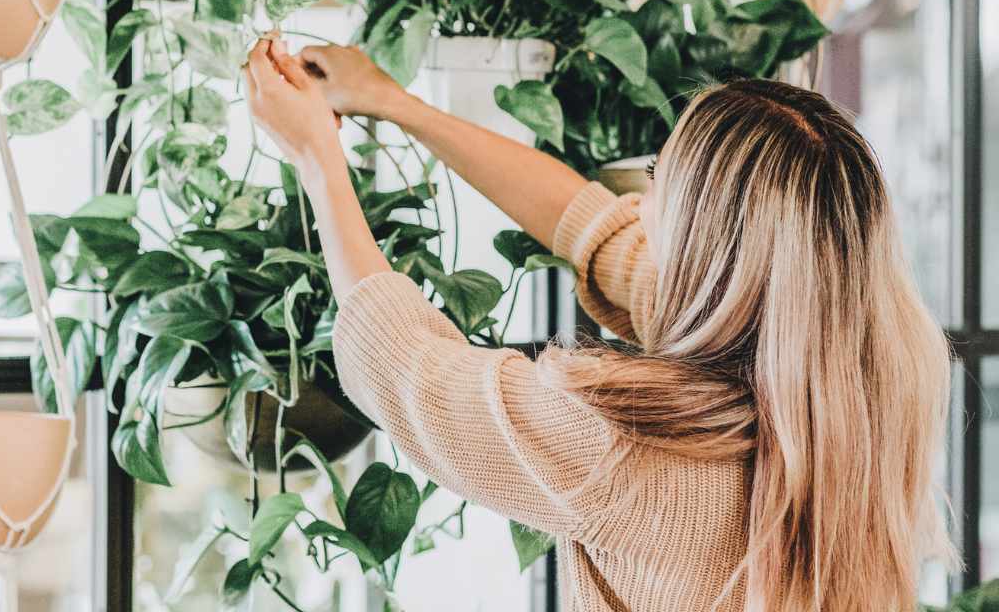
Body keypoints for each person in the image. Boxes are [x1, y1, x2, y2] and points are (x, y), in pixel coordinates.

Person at [243, 36, 954, 612]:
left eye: (659, 184)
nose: (642, 207)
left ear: (712, 243)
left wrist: (317, 158)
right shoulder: (887, 375)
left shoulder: (630, 447)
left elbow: (401, 368)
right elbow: (590, 228)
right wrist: (393, 104)